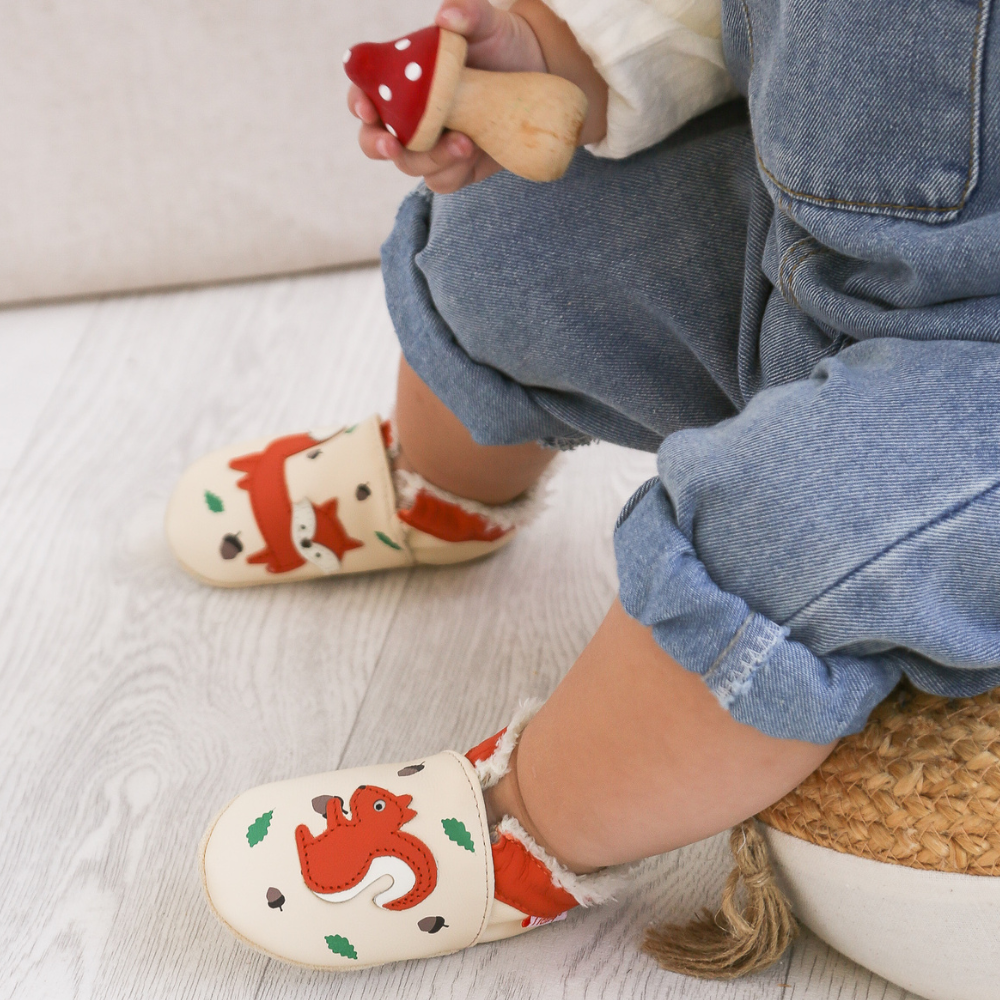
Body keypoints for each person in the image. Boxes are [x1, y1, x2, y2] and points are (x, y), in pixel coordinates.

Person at [172, 0, 1000, 971]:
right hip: (816, 261)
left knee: (785, 525)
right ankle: (436, 486)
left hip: (972, 381)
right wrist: (559, 60)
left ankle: (530, 822)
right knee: (512, 239)